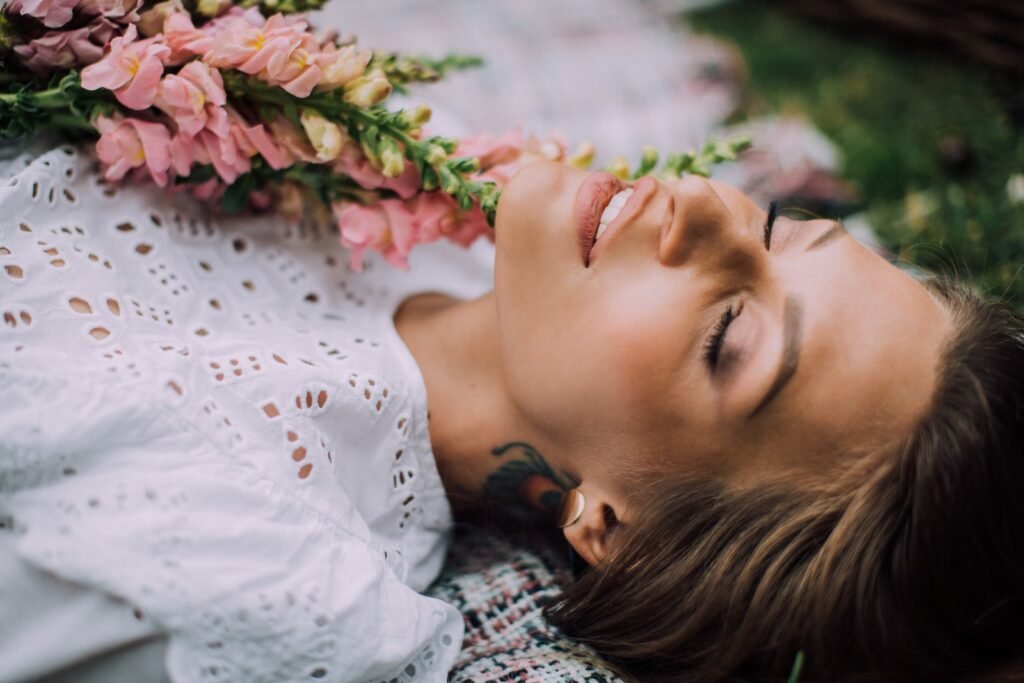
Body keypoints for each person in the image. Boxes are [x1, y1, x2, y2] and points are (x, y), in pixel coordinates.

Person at [1, 142, 1022, 683]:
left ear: (617, 526)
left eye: (729, 338)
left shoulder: (251, 563)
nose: (706, 203)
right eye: (779, 225)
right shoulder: (389, 185)